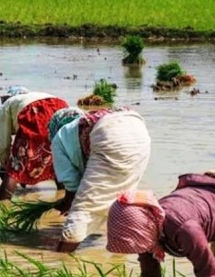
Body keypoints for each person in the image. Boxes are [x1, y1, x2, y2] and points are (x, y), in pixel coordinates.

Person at [48, 107, 151, 253]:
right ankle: (120, 256)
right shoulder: (79, 126)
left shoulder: (58, 139)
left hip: (109, 132)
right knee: (122, 199)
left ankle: (61, 260)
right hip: (138, 129)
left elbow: (71, 184)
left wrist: (67, 203)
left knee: (83, 208)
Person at [0, 86, 68, 200]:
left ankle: (2, 203)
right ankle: (64, 197)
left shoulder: (8, 104)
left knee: (15, 166)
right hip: (61, 108)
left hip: (34, 112)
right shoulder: (39, 95)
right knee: (57, 159)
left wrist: (4, 164)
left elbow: (4, 139)